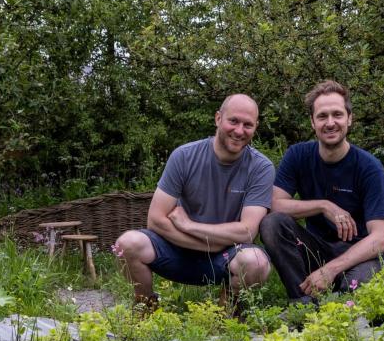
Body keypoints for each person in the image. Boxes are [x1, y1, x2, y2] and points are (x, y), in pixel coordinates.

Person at [114, 94, 274, 308]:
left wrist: (189, 225)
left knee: (256, 262)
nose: (239, 131)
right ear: (218, 118)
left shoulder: (261, 168)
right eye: (233, 121)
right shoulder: (184, 156)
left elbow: (246, 232)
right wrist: (209, 241)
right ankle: (146, 306)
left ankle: (227, 316)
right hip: (176, 252)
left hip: (224, 256)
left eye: (248, 125)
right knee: (128, 244)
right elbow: (155, 220)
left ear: (256, 127)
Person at [259, 80, 384, 303]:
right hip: (316, 249)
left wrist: (331, 270)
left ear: (349, 119)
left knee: (356, 288)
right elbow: (275, 205)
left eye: (337, 114)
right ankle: (302, 302)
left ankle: (337, 300)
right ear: (312, 122)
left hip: (358, 255)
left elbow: (381, 238)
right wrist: (324, 205)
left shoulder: (368, 167)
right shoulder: (297, 156)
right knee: (272, 223)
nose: (330, 123)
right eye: (322, 116)